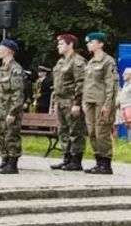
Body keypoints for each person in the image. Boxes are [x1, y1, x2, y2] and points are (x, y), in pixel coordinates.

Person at [82, 31, 118, 175]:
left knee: (101, 132)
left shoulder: (108, 61)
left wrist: (108, 105)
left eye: (92, 42)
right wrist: (84, 101)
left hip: (102, 101)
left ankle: (106, 163)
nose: (88, 44)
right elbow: (87, 84)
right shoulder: (90, 62)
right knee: (91, 132)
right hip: (90, 101)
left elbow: (111, 85)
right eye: (88, 42)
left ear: (101, 44)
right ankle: (98, 161)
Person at [50, 33, 86, 172]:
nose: (58, 46)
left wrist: (77, 103)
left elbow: (81, 83)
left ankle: (76, 160)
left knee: (75, 131)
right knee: (63, 130)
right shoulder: (60, 62)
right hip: (60, 100)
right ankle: (67, 158)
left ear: (70, 45)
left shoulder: (77, 61)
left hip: (71, 100)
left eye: (61, 44)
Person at [0, 39, 25, 174]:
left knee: (12, 136)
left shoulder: (15, 69)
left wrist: (13, 112)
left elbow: (18, 93)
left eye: (1, 49)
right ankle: (4, 161)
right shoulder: (2, 68)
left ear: (9, 51)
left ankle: (12, 163)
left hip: (10, 110)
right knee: (1, 137)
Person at [120, 68, 131, 144]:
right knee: (127, 125)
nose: (123, 75)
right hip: (123, 106)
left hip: (129, 106)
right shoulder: (125, 84)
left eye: (125, 74)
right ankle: (129, 139)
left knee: (130, 123)